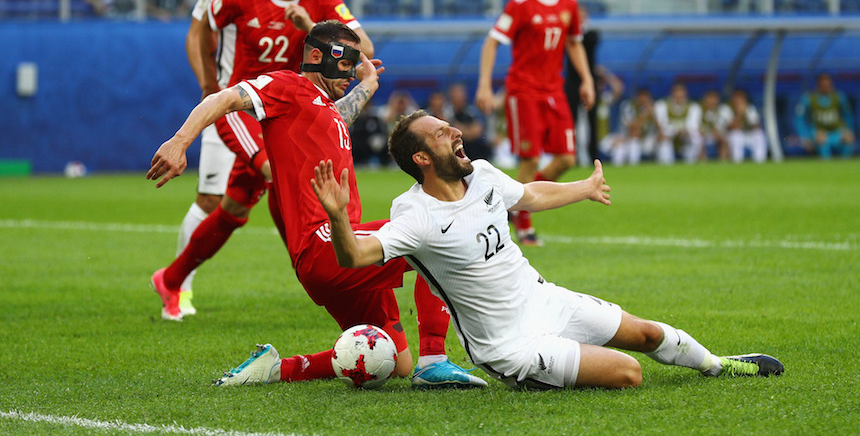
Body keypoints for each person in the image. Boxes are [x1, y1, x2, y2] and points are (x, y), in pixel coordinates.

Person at [310, 109, 785, 390]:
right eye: (441, 134)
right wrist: (336, 213)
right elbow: (355, 256)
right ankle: (543, 369)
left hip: (546, 300)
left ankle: (718, 365)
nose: (456, 133)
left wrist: (584, 187)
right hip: (509, 345)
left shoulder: (482, 174)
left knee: (644, 335)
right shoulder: (414, 217)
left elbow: (529, 195)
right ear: (421, 159)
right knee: (629, 373)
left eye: (450, 127)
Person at [148, 21, 487, 389]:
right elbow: (223, 98)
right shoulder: (287, 87)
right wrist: (180, 141)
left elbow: (333, 117)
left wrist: (368, 85)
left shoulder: (321, 108)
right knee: (436, 232)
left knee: (394, 360)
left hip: (342, 253)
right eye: (345, 64)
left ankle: (277, 368)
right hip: (325, 246)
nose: (351, 72)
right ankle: (435, 358)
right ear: (315, 56)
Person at [153, 0, 374, 321]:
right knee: (279, 174)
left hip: (292, 114)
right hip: (248, 109)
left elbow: (364, 52)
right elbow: (201, 28)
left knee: (234, 209)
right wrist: (209, 81)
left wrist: (309, 25)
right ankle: (314, 268)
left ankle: (171, 279)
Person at [169, 0, 298, 317]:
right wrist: (210, 88)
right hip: (233, 107)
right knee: (211, 198)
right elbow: (197, 32)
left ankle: (322, 274)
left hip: (279, 113)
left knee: (273, 196)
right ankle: (179, 290)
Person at [475, 0, 595, 247]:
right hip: (524, 91)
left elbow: (574, 43)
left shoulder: (569, 4)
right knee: (529, 159)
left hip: (554, 90)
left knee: (567, 158)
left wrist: (587, 79)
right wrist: (485, 85)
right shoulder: (520, 3)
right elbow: (492, 42)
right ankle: (525, 224)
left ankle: (517, 200)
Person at [565, 5, 600, 163]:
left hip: (588, 80)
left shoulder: (591, 34)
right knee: (572, 120)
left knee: (592, 120)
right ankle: (573, 154)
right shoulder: (568, 36)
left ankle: (594, 155)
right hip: (572, 82)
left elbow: (587, 41)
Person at [795, 72, 856, 158]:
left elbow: (848, 116)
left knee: (848, 142)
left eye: (827, 85)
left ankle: (844, 168)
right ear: (818, 85)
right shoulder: (809, 98)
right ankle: (827, 167)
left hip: (837, 132)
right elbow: (799, 119)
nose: (825, 87)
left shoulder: (839, 97)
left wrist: (848, 131)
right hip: (818, 132)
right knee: (822, 143)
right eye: (822, 85)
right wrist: (805, 137)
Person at [654, 82, 702, 165]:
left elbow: (693, 126)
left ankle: (690, 163)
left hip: (685, 136)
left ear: (686, 94)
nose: (679, 96)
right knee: (663, 139)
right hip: (667, 136)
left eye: (681, 93)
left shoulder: (694, 107)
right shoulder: (661, 105)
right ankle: (667, 165)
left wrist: (682, 131)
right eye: (676, 93)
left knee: (696, 137)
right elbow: (662, 125)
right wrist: (675, 131)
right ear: (672, 93)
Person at [611, 87, 657, 166]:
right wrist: (645, 115)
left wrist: (652, 115)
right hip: (626, 138)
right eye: (641, 98)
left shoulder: (654, 107)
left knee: (664, 144)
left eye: (645, 98)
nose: (643, 101)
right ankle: (631, 168)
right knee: (630, 144)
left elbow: (660, 128)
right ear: (637, 98)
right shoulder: (628, 106)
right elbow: (632, 127)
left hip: (647, 139)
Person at [448, 82, 493, 162]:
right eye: (456, 95)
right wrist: (467, 130)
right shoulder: (447, 112)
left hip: (474, 149)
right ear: (451, 97)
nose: (458, 98)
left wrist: (460, 129)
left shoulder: (472, 111)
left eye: (460, 95)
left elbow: (477, 131)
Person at [724, 89, 767, 163]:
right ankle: (737, 162)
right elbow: (731, 127)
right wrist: (740, 114)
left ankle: (759, 162)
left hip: (747, 134)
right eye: (737, 98)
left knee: (759, 134)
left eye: (741, 98)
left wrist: (747, 117)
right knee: (736, 135)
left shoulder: (749, 108)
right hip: (730, 136)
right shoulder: (726, 108)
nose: (738, 101)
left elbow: (757, 125)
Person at [699, 90, 729, 162]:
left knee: (724, 139)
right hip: (704, 135)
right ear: (705, 100)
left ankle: (723, 162)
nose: (712, 101)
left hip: (719, 135)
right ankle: (703, 163)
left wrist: (718, 134)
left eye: (714, 99)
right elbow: (696, 126)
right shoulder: (699, 110)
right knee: (698, 140)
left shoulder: (723, 110)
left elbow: (728, 125)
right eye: (709, 99)